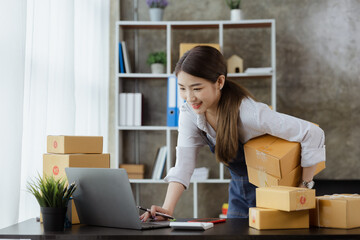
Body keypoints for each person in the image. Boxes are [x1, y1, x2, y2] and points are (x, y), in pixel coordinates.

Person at [140, 46, 326, 221]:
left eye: (197, 88)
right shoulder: (189, 114)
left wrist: (304, 187)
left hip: (275, 197)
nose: (190, 97)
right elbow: (183, 165)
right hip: (239, 195)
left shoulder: (249, 113)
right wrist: (168, 209)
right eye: (182, 88)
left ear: (219, 82)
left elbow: (312, 133)